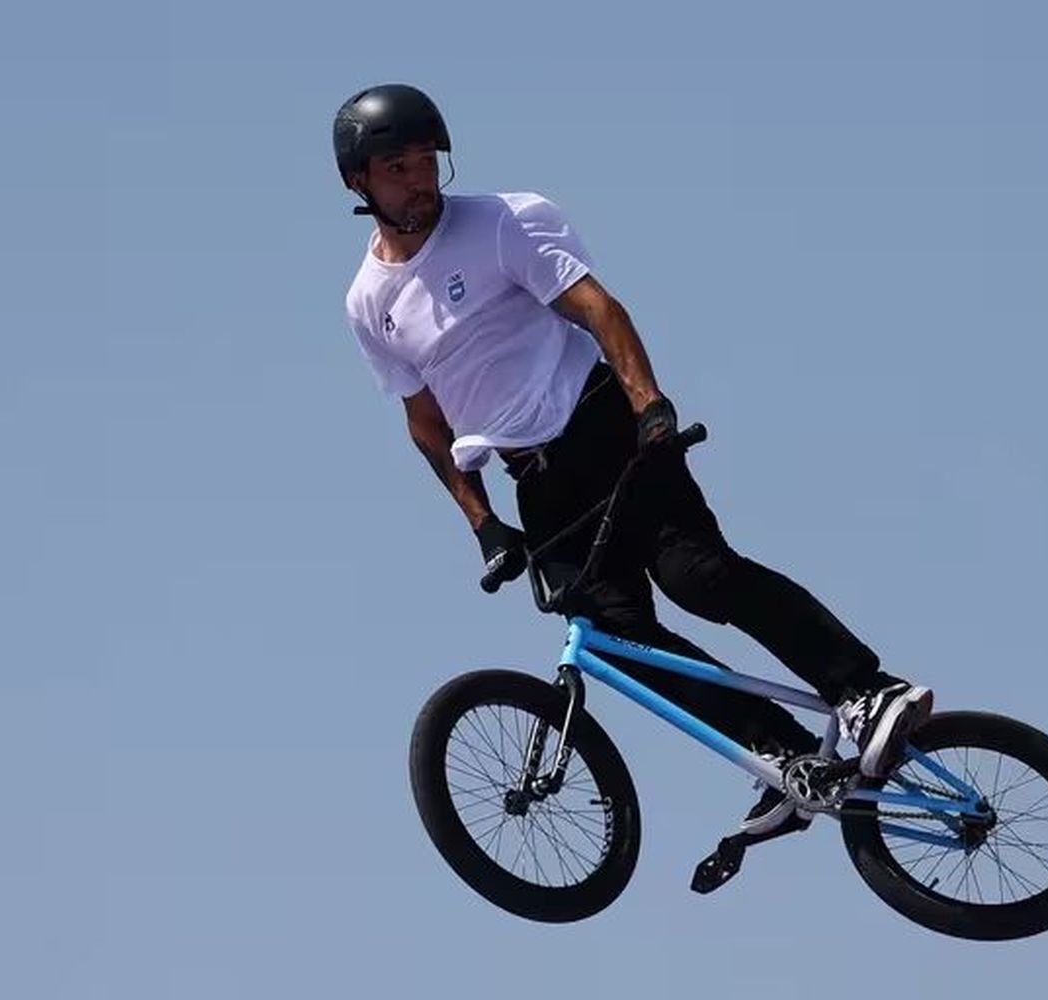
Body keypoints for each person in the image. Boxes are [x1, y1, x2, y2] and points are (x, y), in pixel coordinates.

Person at [336, 84, 932, 845]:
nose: (419, 179)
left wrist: (647, 401)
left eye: (428, 162)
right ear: (358, 181)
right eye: (397, 167)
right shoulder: (367, 302)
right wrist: (483, 524)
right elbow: (425, 422)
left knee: (698, 575)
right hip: (538, 481)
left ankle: (868, 690)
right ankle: (780, 753)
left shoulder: (500, 224)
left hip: (604, 428)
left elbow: (595, 307)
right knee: (617, 641)